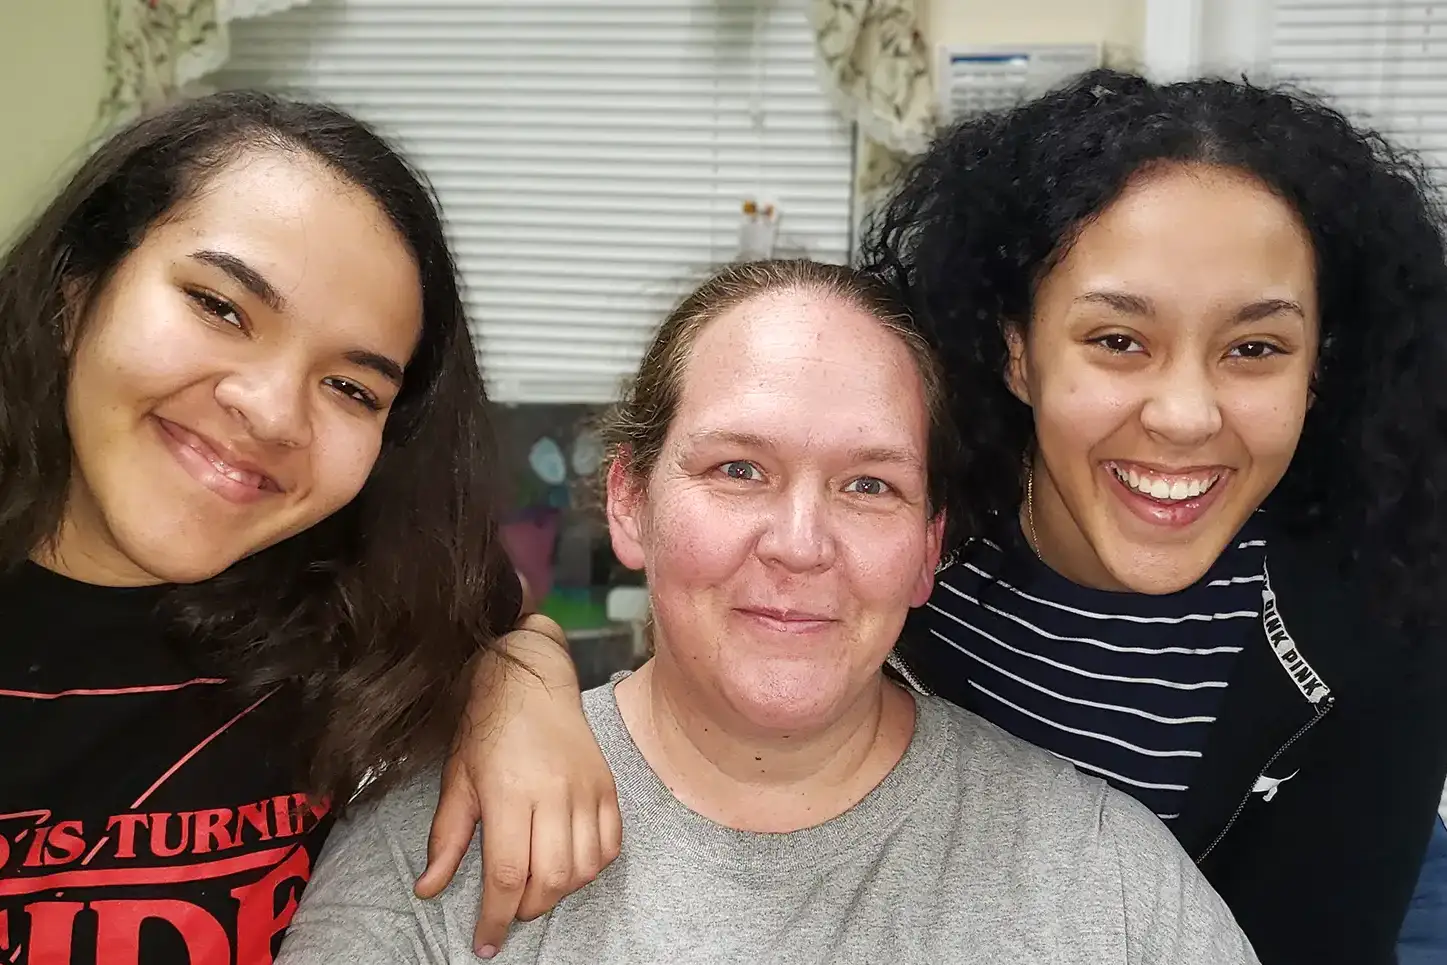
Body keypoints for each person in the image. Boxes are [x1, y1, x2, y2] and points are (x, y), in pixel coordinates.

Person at [433, 70, 1447, 964]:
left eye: (1254, 349)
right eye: (1116, 340)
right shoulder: (898, 521)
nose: (1184, 414)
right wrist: (513, 669)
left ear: (1320, 368)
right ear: (1016, 350)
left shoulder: (1376, 631)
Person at [278, 259, 1260, 965]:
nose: (799, 541)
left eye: (869, 484)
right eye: (737, 468)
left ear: (928, 547)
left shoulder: (1107, 878)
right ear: (629, 501)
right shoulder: (441, 843)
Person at [0, 90, 616, 965]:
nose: (273, 412)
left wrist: (522, 676)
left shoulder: (354, 610)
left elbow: (496, 611)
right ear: (77, 289)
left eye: (351, 387)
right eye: (221, 307)